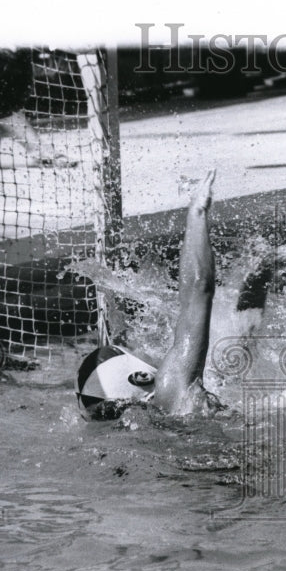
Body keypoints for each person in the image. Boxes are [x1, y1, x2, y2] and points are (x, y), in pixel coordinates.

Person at [76, 170, 226, 420]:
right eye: (133, 351)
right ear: (140, 377)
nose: (140, 347)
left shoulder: (148, 421)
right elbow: (199, 289)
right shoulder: (169, 390)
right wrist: (196, 213)